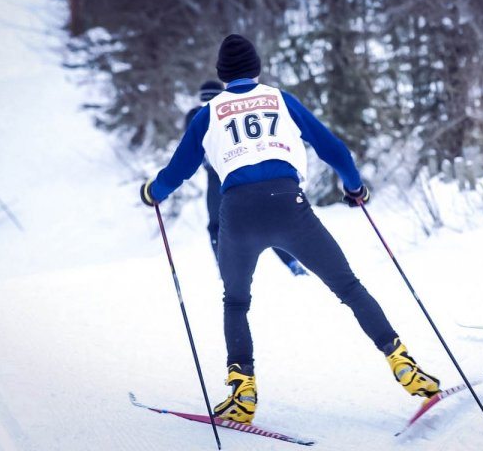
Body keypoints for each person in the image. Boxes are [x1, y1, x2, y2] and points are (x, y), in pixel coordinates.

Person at [140, 34, 440, 424]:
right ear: (257, 68)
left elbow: (179, 170)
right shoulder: (281, 99)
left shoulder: (208, 113)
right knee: (349, 287)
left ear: (222, 74)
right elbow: (332, 148)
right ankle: (401, 360)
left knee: (235, 301)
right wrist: (354, 186)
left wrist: (153, 192)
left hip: (238, 213)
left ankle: (242, 390)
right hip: (288, 205)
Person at [189, 80, 308, 276]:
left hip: (221, 176)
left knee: (218, 224)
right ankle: (291, 262)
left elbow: (193, 149)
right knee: (266, 218)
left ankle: (225, 265)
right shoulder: (228, 110)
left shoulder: (197, 116)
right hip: (242, 172)